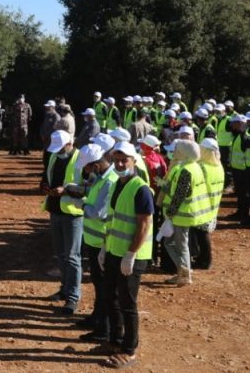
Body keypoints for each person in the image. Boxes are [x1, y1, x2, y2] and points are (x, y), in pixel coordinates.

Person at [98, 141, 153, 369]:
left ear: (134, 161)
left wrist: (131, 254)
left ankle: (129, 350)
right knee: (110, 298)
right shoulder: (117, 185)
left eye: (124, 160)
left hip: (132, 255)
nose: (120, 164)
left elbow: (143, 224)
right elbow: (112, 220)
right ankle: (115, 341)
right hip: (114, 250)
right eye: (116, 160)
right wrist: (105, 246)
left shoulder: (140, 189)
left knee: (127, 303)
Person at [68, 140, 117, 342]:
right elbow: (93, 195)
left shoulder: (109, 181)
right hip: (94, 240)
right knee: (99, 284)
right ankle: (97, 318)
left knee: (104, 287)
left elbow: (98, 212)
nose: (86, 172)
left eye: (87, 168)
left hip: (102, 242)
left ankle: (103, 329)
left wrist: (80, 204)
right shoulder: (100, 178)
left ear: (96, 165)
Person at [40, 129, 83, 315]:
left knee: (72, 256)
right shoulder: (53, 156)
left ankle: (73, 297)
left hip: (73, 213)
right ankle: (64, 289)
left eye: (60, 148)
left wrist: (65, 191)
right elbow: (46, 175)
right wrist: (44, 186)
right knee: (60, 253)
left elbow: (88, 187)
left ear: (70, 144)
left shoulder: (81, 159)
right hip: (55, 210)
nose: (57, 152)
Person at [157, 140, 206, 286]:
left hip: (181, 215)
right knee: (171, 243)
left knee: (180, 245)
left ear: (184, 153)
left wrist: (169, 215)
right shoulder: (193, 166)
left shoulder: (186, 170)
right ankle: (182, 271)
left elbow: (179, 195)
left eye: (177, 149)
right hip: (184, 214)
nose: (175, 151)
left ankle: (185, 274)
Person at [195, 138, 224, 270]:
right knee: (203, 232)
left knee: (202, 233)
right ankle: (203, 258)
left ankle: (205, 260)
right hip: (213, 202)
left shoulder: (202, 167)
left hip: (203, 203)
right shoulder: (219, 165)